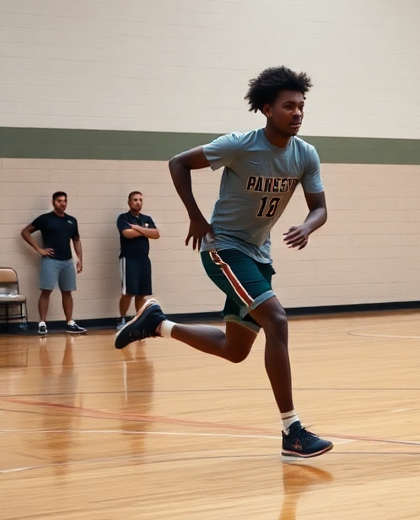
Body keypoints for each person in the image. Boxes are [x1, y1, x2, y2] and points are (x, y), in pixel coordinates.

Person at [114, 66, 333, 459]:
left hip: (258, 252)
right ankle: (292, 431)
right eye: (289, 106)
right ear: (267, 109)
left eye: (302, 106)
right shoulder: (240, 145)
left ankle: (157, 324)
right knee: (277, 321)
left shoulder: (306, 154)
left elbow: (320, 209)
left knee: (236, 349)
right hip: (223, 248)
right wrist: (196, 217)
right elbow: (178, 162)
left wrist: (307, 226)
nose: (298, 113)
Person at [21, 192, 86, 335]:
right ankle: (42, 323)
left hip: (67, 261)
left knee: (67, 292)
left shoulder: (71, 221)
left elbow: (76, 240)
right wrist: (39, 249)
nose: (62, 203)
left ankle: (69, 322)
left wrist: (80, 259)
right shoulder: (45, 219)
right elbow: (25, 232)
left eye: (65, 201)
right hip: (51, 260)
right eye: (59, 201)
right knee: (46, 291)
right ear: (53, 202)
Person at [116, 191, 160, 330]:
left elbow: (156, 234)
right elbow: (126, 234)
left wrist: (138, 228)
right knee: (129, 291)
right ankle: (122, 319)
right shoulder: (123, 218)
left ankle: (138, 320)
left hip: (144, 259)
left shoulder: (146, 218)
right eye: (135, 200)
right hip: (129, 259)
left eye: (140, 200)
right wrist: (145, 230)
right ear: (129, 202)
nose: (138, 202)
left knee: (142, 292)